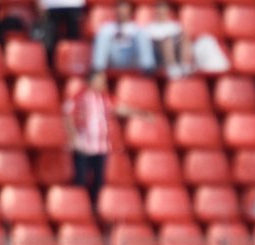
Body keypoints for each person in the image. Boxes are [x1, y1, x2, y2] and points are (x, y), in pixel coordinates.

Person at [63, 70, 147, 209]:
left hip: (101, 147)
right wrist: (74, 138)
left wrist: (140, 113)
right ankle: (77, 208)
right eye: (101, 80)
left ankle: (93, 209)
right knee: (81, 179)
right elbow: (68, 117)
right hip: (83, 145)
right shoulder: (79, 97)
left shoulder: (105, 98)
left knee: (98, 181)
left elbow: (119, 108)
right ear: (91, 81)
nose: (104, 83)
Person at [91, 0, 154, 73]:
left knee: (142, 35)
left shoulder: (137, 28)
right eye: (120, 8)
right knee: (103, 34)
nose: (121, 11)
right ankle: (98, 69)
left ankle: (148, 67)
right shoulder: (108, 27)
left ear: (130, 11)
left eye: (124, 9)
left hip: (132, 57)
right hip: (115, 56)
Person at [145, 0, 189, 78]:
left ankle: (185, 66)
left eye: (163, 9)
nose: (161, 12)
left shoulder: (175, 26)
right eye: (159, 9)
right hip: (158, 56)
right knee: (167, 41)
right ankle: (172, 68)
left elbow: (181, 38)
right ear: (156, 11)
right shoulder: (150, 27)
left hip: (175, 51)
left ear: (167, 11)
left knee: (184, 39)